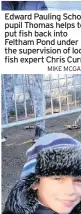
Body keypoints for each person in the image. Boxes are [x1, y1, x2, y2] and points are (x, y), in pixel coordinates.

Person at [1, 1, 48, 141]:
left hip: (33, 51)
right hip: (9, 51)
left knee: (36, 91)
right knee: (5, 91)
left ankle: (41, 130)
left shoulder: (37, 3)